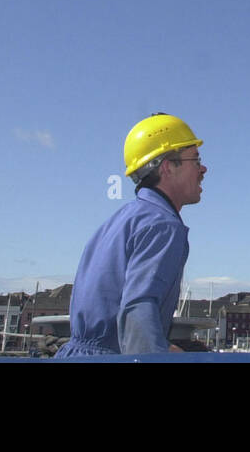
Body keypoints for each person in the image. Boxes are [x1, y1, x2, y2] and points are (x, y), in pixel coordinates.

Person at [56, 114, 206, 357]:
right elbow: (138, 310)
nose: (203, 168)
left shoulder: (121, 220)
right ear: (168, 166)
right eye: (195, 159)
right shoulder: (163, 225)